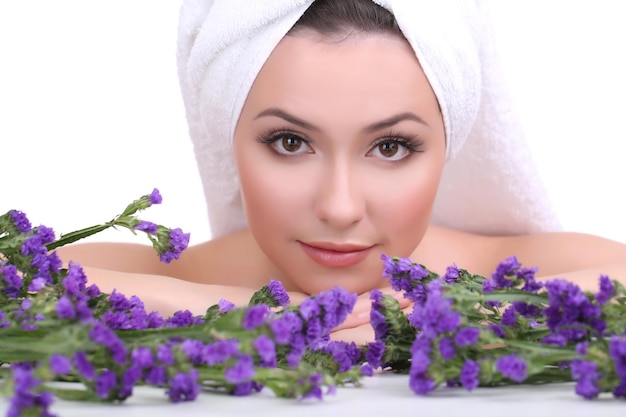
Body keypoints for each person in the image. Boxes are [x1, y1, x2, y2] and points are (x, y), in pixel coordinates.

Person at [56, 0, 626, 343]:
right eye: (289, 141)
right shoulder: (196, 273)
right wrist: (258, 311)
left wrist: (448, 314)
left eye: (392, 147)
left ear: (448, 145)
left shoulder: (489, 267)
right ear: (229, 137)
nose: (339, 206)